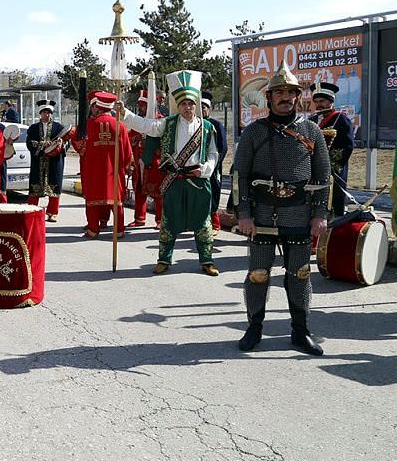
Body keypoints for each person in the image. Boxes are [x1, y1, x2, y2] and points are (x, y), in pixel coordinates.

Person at [233, 61, 330, 355]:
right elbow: (240, 176)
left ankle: (300, 331)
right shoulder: (253, 132)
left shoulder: (311, 132)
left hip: (298, 213)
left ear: (298, 97)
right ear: (269, 97)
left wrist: (320, 215)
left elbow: (323, 177)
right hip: (262, 214)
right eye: (279, 92)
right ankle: (254, 328)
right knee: (258, 273)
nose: (285, 97)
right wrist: (244, 214)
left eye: (291, 92)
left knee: (299, 274)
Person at [120, 71, 219, 276]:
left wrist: (206, 170)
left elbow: (213, 154)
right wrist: (125, 115)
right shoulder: (168, 123)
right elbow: (147, 126)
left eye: (191, 103)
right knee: (169, 222)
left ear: (196, 104)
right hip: (174, 180)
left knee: (203, 223)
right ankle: (164, 260)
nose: (188, 107)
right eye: (183, 104)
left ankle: (206, 260)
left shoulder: (207, 127)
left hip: (198, 181)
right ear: (178, 105)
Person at [72, 91, 132, 238]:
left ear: (97, 108)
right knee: (115, 199)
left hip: (94, 170)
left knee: (93, 198)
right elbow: (127, 152)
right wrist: (125, 166)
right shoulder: (120, 126)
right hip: (114, 170)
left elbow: (80, 147)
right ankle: (119, 230)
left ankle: (93, 229)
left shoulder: (88, 126)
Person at [308, 82, 354, 218]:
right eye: (316, 101)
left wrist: (328, 164)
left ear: (331, 101)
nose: (318, 104)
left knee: (332, 202)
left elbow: (347, 145)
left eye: (322, 101)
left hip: (333, 170)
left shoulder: (342, 119)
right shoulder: (312, 119)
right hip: (312, 170)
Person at [26, 100, 69, 222]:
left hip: (54, 161)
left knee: (54, 185)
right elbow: (29, 143)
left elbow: (67, 142)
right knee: (35, 185)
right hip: (38, 160)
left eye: (49, 112)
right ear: (40, 113)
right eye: (45, 112)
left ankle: (52, 212)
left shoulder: (59, 127)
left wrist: (61, 144)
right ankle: (32, 210)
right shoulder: (33, 128)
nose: (47, 115)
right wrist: (42, 144)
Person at [128, 90, 164, 229]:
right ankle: (139, 218)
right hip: (138, 162)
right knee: (138, 190)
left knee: (158, 193)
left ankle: (160, 220)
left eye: (143, 106)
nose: (141, 108)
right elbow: (130, 136)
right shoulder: (138, 121)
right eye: (140, 105)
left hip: (154, 163)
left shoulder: (160, 120)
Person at [200, 91, 227, 231]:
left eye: (204, 107)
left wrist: (214, 164)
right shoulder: (196, 124)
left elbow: (223, 147)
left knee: (213, 193)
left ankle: (215, 225)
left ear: (208, 109)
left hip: (213, 167)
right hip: (198, 168)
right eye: (200, 106)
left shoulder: (216, 124)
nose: (202, 109)